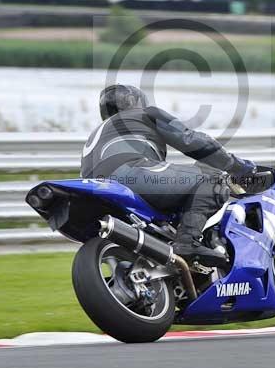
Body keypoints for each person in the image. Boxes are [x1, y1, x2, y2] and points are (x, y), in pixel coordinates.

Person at [81, 84, 256, 266]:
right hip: (130, 175)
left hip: (96, 188)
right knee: (212, 181)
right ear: (135, 101)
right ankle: (187, 243)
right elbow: (191, 141)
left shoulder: (96, 134)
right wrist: (238, 166)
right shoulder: (145, 114)